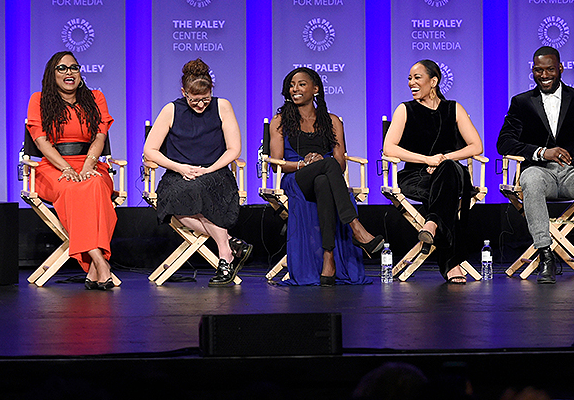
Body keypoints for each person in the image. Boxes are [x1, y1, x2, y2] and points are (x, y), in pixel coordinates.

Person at [497, 46, 574, 285]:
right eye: (538, 70)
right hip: (541, 172)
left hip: (573, 173)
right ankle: (545, 255)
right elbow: (504, 142)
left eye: (550, 69)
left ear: (560, 69)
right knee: (530, 179)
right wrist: (541, 153)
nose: (544, 75)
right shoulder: (521, 102)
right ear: (533, 71)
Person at [269, 67, 384, 286]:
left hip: (326, 179)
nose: (295, 89)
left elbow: (340, 163)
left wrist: (321, 161)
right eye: (292, 85)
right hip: (297, 179)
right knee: (326, 164)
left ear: (316, 89)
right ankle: (356, 228)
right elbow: (277, 164)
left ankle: (328, 260)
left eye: (302, 84)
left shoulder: (332, 122)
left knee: (325, 176)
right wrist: (304, 163)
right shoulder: (280, 121)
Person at [143, 58, 251, 287]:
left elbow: (234, 148)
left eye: (205, 99)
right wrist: (180, 167)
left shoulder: (223, 106)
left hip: (215, 172)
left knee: (199, 189)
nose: (201, 105)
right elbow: (150, 149)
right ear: (184, 92)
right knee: (177, 199)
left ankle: (225, 254)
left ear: (212, 91)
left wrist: (209, 169)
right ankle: (229, 247)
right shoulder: (171, 110)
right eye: (195, 101)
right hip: (179, 173)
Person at [383, 59, 484, 283]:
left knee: (447, 171)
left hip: (451, 173)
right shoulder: (404, 109)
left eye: (417, 78)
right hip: (416, 176)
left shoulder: (453, 108)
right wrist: (427, 159)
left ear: (434, 81)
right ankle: (452, 263)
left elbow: (476, 146)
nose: (411, 83)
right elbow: (389, 148)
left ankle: (432, 224)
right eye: (409, 78)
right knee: (444, 194)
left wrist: (442, 159)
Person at [26, 51, 117, 290]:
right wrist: (66, 168)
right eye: (62, 68)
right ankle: (99, 261)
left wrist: (89, 165)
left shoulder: (96, 97)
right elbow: (41, 141)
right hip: (53, 167)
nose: (69, 73)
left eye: (74, 68)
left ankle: (95, 267)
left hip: (89, 161)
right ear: (51, 74)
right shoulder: (39, 100)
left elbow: (100, 135)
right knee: (72, 187)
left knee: (96, 184)